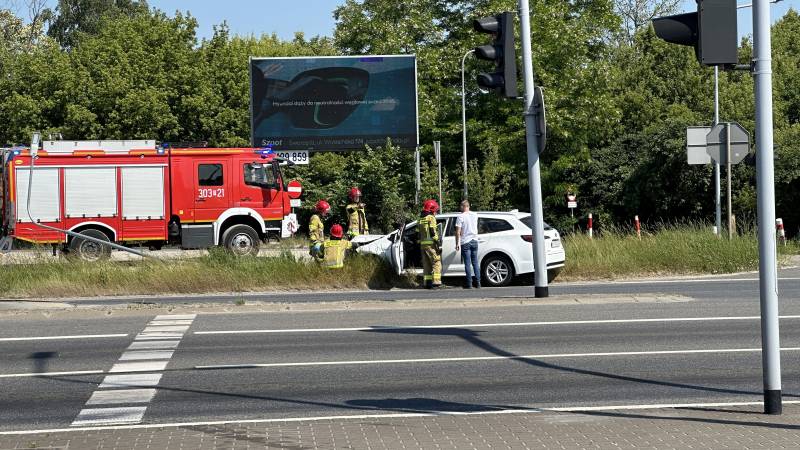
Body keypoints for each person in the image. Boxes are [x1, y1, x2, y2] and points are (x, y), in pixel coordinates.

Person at [455, 199, 480, 289]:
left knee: (467, 263)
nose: (460, 208)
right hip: (475, 240)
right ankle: (478, 283)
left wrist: (457, 243)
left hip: (465, 241)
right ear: (468, 206)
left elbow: (458, 232)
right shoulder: (475, 215)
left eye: (461, 206)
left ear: (463, 206)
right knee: (475, 262)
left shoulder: (460, 216)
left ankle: (469, 284)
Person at [418, 199, 442, 289]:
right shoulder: (431, 218)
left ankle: (427, 283)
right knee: (436, 262)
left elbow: (418, 232)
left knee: (427, 264)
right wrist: (437, 241)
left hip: (423, 245)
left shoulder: (420, 219)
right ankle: (436, 282)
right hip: (430, 244)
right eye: (435, 210)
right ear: (431, 209)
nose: (436, 212)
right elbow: (432, 231)